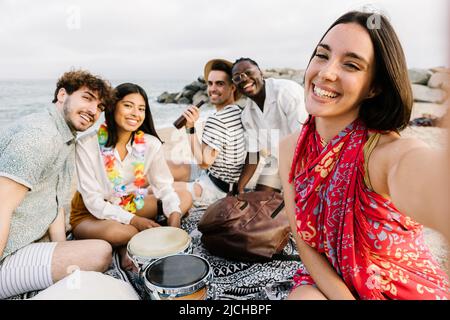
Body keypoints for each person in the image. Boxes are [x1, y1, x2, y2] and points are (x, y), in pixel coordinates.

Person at [279, 11, 449, 300]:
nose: (326, 72)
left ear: (374, 87)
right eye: (322, 55)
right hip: (328, 277)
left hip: (402, 287)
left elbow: (429, 184)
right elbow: (303, 240)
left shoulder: (383, 154)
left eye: (351, 64)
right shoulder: (290, 149)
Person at [0, 70, 114, 299]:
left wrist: (62, 247)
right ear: (62, 95)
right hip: (8, 253)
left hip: (31, 240)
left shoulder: (64, 136)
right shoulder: (39, 137)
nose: (93, 111)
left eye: (100, 107)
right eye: (87, 98)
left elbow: (54, 203)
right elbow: (1, 205)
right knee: (100, 252)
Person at [70, 82, 192, 270]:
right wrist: (135, 220)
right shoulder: (87, 144)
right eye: (128, 105)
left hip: (128, 202)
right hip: (90, 213)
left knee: (183, 197)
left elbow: (164, 187)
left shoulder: (150, 144)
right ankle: (125, 246)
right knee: (125, 231)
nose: (136, 113)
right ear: (112, 106)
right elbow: (93, 201)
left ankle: (130, 243)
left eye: (141, 108)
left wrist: (174, 223)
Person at [168, 59, 246, 205]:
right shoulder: (239, 112)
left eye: (220, 84)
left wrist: (190, 128)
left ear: (233, 87)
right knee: (163, 167)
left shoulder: (218, 119)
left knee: (159, 188)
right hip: (221, 177)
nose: (212, 89)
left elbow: (204, 162)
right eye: (210, 83)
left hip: (216, 189)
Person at [231, 58, 308, 194]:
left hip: (309, 155)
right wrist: (239, 187)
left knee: (303, 203)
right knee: (261, 199)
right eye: (237, 78)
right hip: (277, 160)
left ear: (260, 73)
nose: (244, 79)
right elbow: (253, 154)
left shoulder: (286, 92)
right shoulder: (247, 114)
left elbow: (303, 138)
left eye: (248, 72)